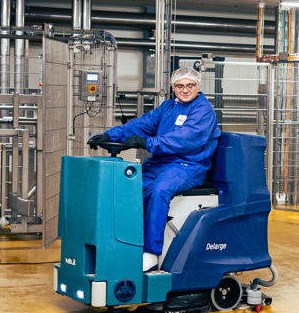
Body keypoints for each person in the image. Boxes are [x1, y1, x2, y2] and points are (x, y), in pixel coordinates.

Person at [88, 66, 220, 272]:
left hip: (188, 166)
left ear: (198, 86)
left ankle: (151, 253)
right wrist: (110, 135)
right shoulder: (168, 108)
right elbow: (140, 125)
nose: (185, 90)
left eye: (190, 85)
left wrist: (149, 143)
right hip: (160, 164)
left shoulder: (203, 110)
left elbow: (186, 138)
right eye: (180, 86)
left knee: (160, 190)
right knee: (127, 188)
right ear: (173, 88)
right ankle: (124, 245)